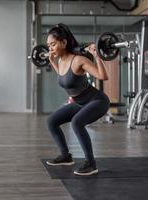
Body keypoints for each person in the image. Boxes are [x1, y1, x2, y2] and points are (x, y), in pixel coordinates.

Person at [46, 23, 110, 176]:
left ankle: (91, 164)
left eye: (53, 44)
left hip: (97, 101)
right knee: (51, 121)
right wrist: (53, 62)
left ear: (64, 42)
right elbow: (64, 78)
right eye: (49, 45)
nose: (51, 48)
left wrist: (97, 55)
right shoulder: (60, 60)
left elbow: (103, 77)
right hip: (79, 103)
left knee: (77, 123)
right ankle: (66, 156)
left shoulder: (79, 60)